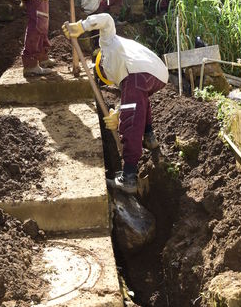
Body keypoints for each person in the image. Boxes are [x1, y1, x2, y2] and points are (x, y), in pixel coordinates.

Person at [62, 13, 168, 195]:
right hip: (159, 75)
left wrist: (82, 26)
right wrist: (119, 110)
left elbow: (107, 19)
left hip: (138, 74)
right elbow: (135, 95)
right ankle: (149, 137)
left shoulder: (107, 44)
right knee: (140, 102)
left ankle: (128, 177)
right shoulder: (125, 50)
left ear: (101, 66)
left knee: (130, 124)